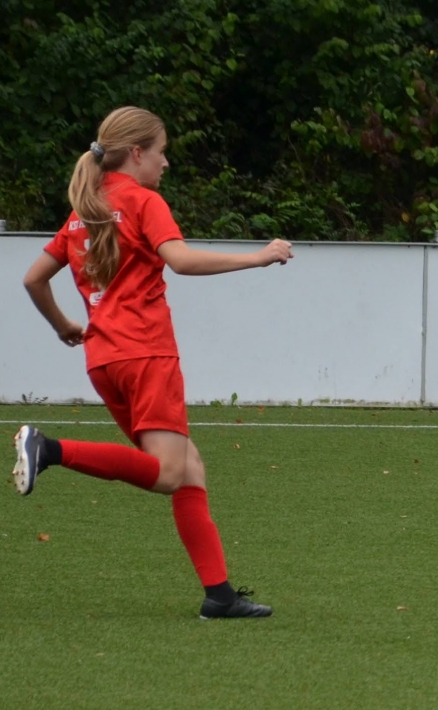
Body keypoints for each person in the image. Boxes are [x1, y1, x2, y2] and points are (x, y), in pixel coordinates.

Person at [13, 107, 293, 619]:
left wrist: (63, 325)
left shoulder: (84, 211)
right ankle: (49, 449)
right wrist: (258, 257)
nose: (165, 163)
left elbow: (34, 278)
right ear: (137, 153)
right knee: (168, 473)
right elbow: (180, 260)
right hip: (146, 353)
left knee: (189, 469)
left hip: (104, 360)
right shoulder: (144, 201)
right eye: (162, 152)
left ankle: (220, 596)